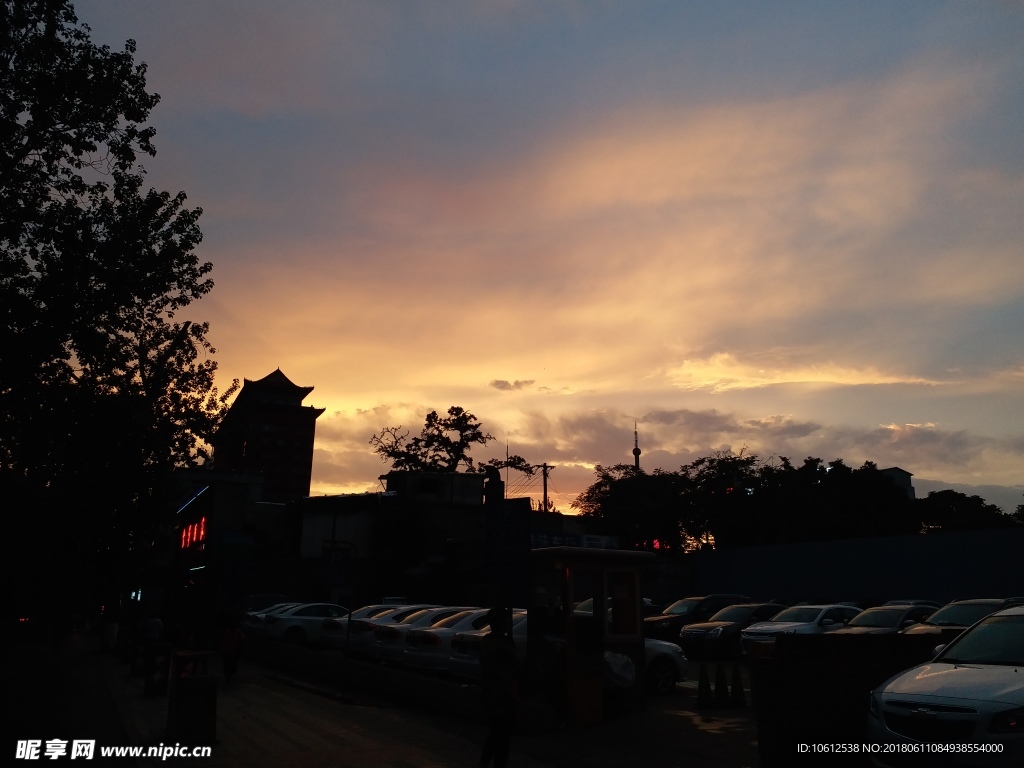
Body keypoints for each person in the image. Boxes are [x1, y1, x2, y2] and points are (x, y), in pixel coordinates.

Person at [478, 607, 519, 768]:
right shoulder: (503, 644)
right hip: (503, 694)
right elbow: (514, 668)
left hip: (490, 693)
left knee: (496, 734)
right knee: (502, 737)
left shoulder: (486, 642)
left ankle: (484, 762)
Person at [220, 618, 245, 684]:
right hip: (229, 651)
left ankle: (229, 675)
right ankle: (229, 676)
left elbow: (241, 640)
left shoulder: (235, 632)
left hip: (232, 651)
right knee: (230, 664)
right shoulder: (231, 632)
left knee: (230, 664)